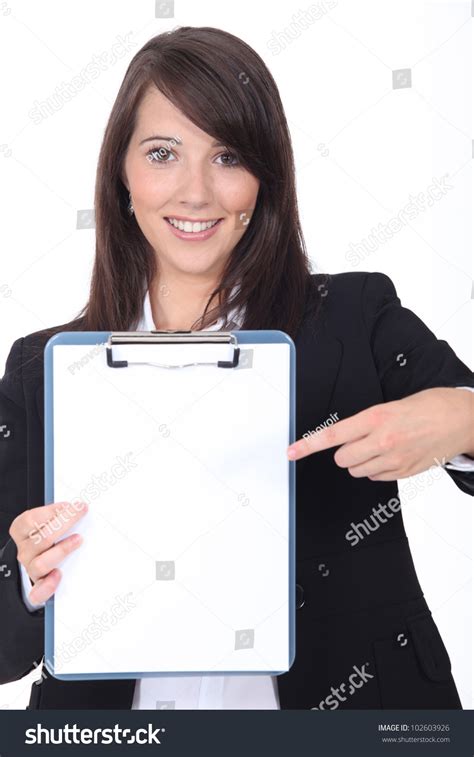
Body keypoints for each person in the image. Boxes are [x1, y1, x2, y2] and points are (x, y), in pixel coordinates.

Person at [0, 26, 473, 710]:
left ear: (264, 176)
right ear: (122, 177)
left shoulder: (355, 316)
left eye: (226, 156)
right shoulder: (42, 368)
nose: (196, 192)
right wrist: (23, 578)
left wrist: (460, 417)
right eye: (163, 153)